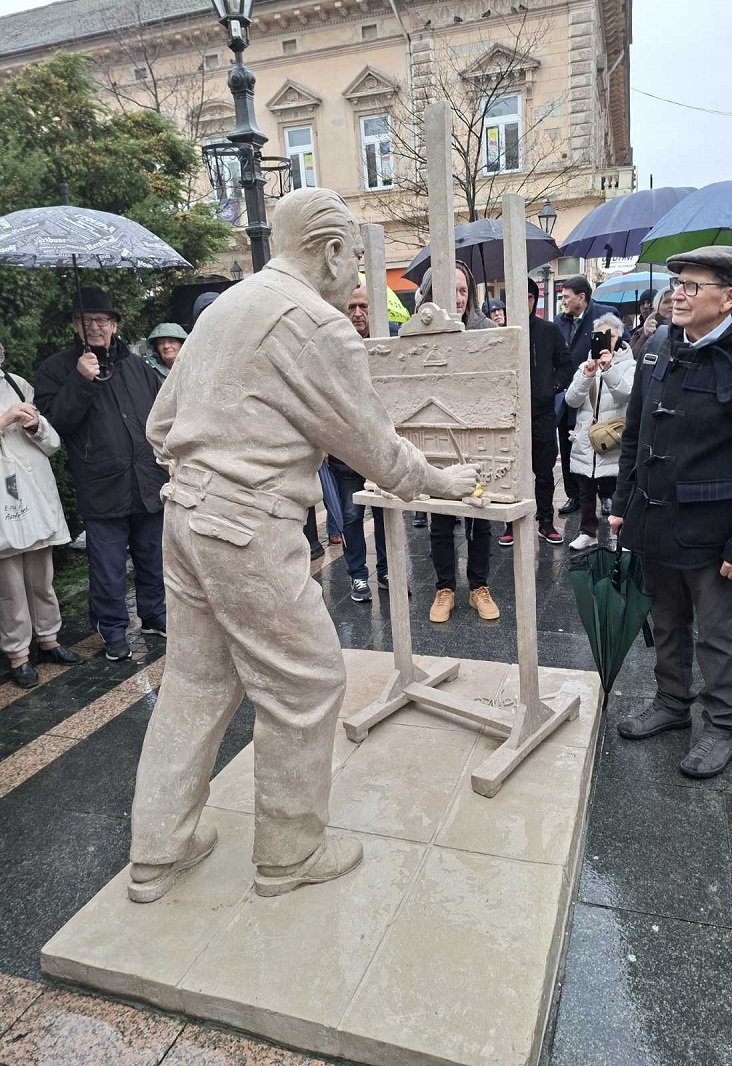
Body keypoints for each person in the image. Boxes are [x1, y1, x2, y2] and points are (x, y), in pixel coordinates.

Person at [127, 188, 479, 903]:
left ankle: (157, 854)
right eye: (355, 259)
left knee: (195, 684)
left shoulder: (226, 306)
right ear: (331, 251)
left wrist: (213, 464)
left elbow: (161, 426)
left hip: (184, 517)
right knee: (306, 683)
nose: (357, 276)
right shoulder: (316, 324)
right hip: (245, 527)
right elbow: (375, 449)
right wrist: (443, 481)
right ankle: (289, 855)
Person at [610, 246, 732, 779]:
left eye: (692, 285)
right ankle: (671, 702)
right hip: (654, 519)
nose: (678, 295)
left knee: (716, 634)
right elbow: (635, 435)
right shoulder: (658, 347)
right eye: (677, 284)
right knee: (665, 620)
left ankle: (722, 727)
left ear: (730, 297)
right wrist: (621, 506)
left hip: (713, 530)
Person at [34, 288, 168, 662]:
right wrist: (81, 380)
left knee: (153, 557)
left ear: (114, 325)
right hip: (101, 485)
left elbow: (160, 416)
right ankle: (112, 629)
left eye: (101, 320)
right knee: (107, 568)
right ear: (74, 326)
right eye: (85, 320)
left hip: (147, 479)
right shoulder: (56, 369)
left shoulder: (137, 366)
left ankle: (154, 615)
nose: (94, 326)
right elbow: (55, 424)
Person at [415, 263, 500, 623]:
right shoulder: (419, 337)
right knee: (440, 519)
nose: (459, 297)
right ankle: (445, 587)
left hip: (477, 436)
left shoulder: (488, 331)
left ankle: (478, 586)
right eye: (451, 290)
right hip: (437, 435)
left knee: (480, 517)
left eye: (464, 290)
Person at [0, 350, 83, 687]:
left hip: (34, 495)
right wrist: (4, 420)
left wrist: (36, 426)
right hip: (4, 500)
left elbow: (52, 442)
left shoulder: (16, 383)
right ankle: (18, 655)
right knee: (9, 587)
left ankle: (49, 640)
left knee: (41, 578)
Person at [327, 281, 389, 601]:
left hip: (381, 450)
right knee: (352, 515)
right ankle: (358, 576)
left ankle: (387, 569)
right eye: (351, 307)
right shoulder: (330, 349)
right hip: (346, 452)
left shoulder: (388, 347)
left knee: (384, 514)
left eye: (363, 306)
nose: (357, 313)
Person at [499, 279, 572, 549]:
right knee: (512, 473)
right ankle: (511, 524)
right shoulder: (503, 332)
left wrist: (552, 386)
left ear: (535, 299)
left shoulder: (549, 330)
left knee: (544, 473)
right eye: (518, 296)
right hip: (511, 415)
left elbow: (566, 365)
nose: (524, 302)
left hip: (542, 413)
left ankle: (546, 521)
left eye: (529, 297)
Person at [554, 276, 625, 516]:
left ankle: (606, 495)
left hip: (600, 391)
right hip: (571, 388)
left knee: (604, 441)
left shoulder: (605, 315)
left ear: (581, 297)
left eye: (566, 297)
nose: (563, 301)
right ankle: (573, 494)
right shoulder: (559, 322)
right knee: (569, 446)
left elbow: (620, 345)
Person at [564, 313, 635, 550]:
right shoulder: (586, 364)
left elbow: (625, 395)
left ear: (619, 337)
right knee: (585, 490)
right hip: (587, 439)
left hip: (613, 439)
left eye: (610, 336)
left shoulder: (629, 365)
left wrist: (609, 369)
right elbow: (571, 400)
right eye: (600, 335)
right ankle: (587, 532)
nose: (605, 340)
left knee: (617, 491)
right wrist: (587, 376)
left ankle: (623, 536)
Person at [631, 287, 673, 359]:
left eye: (676, 301)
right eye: (666, 302)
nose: (672, 305)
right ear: (657, 306)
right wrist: (645, 335)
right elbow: (632, 357)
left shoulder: (687, 330)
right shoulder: (639, 332)